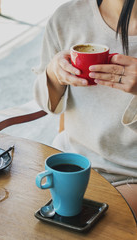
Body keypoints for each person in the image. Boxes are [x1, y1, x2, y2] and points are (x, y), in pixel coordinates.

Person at [33, 0, 137, 217]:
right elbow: (46, 104)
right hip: (67, 161)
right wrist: (54, 74)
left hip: (130, 175)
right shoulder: (67, 17)